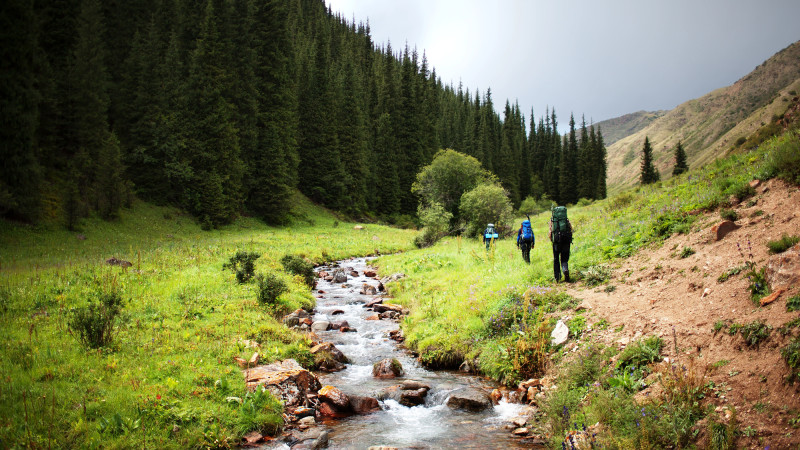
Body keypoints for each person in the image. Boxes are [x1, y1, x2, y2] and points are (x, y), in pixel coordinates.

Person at [549, 206, 573, 282]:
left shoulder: (553, 221)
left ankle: (557, 278)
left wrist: (553, 240)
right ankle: (565, 269)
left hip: (556, 242)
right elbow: (571, 229)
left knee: (556, 259)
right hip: (566, 240)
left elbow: (550, 233)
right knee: (564, 258)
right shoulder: (566, 220)